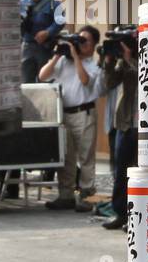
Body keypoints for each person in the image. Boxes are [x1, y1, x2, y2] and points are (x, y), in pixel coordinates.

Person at [39, 25, 103, 211]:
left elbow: (85, 81)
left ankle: (86, 196)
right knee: (66, 157)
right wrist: (58, 55)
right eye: (79, 40)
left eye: (85, 41)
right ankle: (65, 195)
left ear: (93, 44)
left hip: (84, 113)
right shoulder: (63, 62)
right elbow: (42, 76)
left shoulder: (93, 64)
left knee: (86, 158)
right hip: (63, 114)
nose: (80, 44)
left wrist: (76, 57)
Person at [98, 31, 138, 230]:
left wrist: (131, 59)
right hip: (124, 122)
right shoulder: (123, 61)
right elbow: (109, 83)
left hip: (144, 124)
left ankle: (137, 216)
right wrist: (109, 60)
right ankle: (121, 213)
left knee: (139, 173)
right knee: (120, 171)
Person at [19, 0, 64, 84]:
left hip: (45, 47)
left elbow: (61, 20)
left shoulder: (53, 3)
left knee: (46, 80)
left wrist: (48, 32)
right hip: (27, 47)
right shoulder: (21, 4)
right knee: (26, 81)